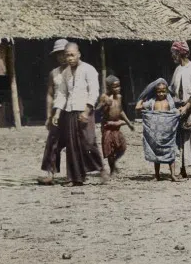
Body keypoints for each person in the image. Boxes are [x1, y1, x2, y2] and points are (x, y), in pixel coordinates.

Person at [51, 43, 101, 186]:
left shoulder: (88, 69)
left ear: (79, 54)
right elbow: (62, 93)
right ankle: (74, 178)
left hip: (85, 109)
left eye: (72, 55)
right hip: (69, 111)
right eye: (67, 55)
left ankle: (100, 168)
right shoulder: (65, 73)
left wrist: (86, 111)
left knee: (88, 142)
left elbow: (94, 91)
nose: (69, 58)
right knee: (71, 145)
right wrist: (57, 112)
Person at [169, 40, 191, 179]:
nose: (173, 56)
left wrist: (187, 106)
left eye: (174, 53)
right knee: (181, 139)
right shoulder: (178, 69)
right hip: (179, 107)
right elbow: (173, 89)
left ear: (180, 52)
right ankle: (183, 169)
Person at [135, 79, 180, 182]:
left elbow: (175, 113)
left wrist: (177, 113)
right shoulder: (151, 102)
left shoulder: (170, 102)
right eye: (158, 91)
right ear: (155, 91)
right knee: (156, 153)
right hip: (155, 135)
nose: (161, 93)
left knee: (170, 152)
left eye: (163, 91)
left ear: (167, 91)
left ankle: (173, 175)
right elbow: (138, 107)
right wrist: (143, 97)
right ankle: (157, 175)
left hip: (167, 134)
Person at [38, 39, 69, 185]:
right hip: (58, 112)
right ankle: (50, 174)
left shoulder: (79, 71)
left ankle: (73, 174)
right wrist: (48, 115)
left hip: (73, 111)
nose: (62, 57)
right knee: (53, 142)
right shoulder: (54, 73)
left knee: (74, 144)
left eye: (64, 53)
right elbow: (50, 95)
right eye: (59, 54)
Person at [96, 75, 134, 176]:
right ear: (109, 88)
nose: (118, 88)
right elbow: (97, 109)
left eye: (119, 86)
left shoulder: (119, 97)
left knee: (122, 147)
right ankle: (112, 170)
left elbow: (121, 111)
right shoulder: (104, 97)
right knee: (110, 150)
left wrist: (129, 123)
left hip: (117, 126)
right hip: (107, 126)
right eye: (115, 87)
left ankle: (114, 162)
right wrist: (104, 104)